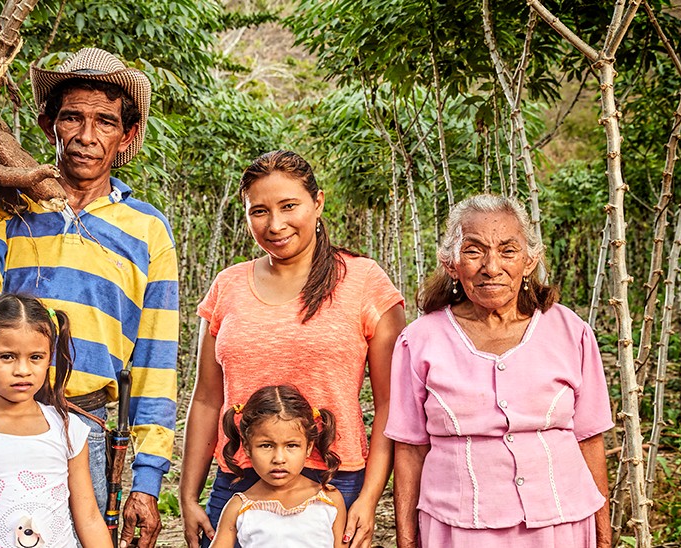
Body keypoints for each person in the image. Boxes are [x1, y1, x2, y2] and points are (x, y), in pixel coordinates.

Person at [0, 48, 177, 548]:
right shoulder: (7, 207)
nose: (87, 137)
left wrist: (147, 480)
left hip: (79, 422)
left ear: (126, 135)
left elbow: (156, 359)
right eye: (73, 117)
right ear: (50, 125)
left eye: (105, 122)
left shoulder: (148, 230)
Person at [181, 150, 406, 548]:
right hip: (238, 481)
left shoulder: (363, 281)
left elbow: (392, 404)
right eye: (259, 211)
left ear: (317, 203)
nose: (275, 224)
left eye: (289, 206)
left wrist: (369, 497)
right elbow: (205, 399)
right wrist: (187, 495)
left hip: (334, 480)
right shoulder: (227, 287)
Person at [386, 194, 614, 548]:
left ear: (529, 261)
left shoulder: (571, 331)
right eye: (474, 251)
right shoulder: (418, 340)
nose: (492, 267)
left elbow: (589, 439)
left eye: (508, 251)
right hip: (458, 527)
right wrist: (406, 540)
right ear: (451, 263)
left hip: (561, 524)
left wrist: (603, 537)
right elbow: (410, 450)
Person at [0, 293, 113, 548]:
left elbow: (90, 519)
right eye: (7, 356)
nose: (23, 370)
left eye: (36, 357)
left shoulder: (68, 428)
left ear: (49, 358)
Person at [209, 385, 348, 548]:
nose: (279, 458)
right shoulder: (239, 508)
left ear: (309, 447)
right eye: (266, 446)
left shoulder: (329, 500)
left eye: (292, 445)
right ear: (247, 447)